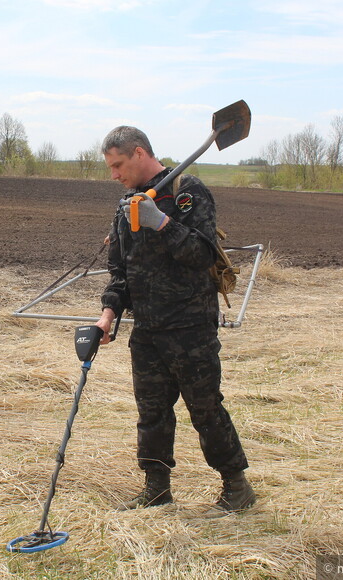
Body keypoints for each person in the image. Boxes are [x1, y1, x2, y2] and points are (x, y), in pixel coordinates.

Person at [93, 125, 255, 514]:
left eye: (118, 165)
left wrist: (160, 223)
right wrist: (107, 315)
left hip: (190, 327)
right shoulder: (127, 204)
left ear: (138, 153)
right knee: (151, 412)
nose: (114, 175)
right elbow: (120, 273)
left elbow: (202, 254)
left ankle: (237, 485)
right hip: (147, 329)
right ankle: (156, 488)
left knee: (205, 408)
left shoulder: (188, 191)